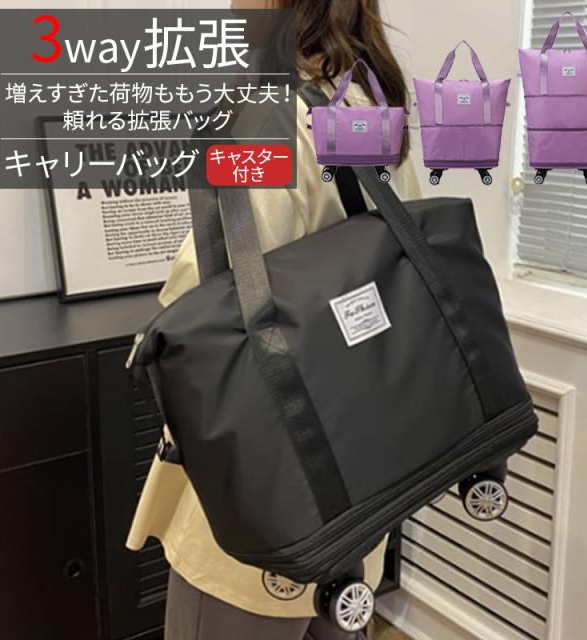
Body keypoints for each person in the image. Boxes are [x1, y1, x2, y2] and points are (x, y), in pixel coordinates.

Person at [126, 1, 421, 637]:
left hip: (267, 483)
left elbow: (200, 297)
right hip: (360, 468)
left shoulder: (269, 112)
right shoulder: (373, 103)